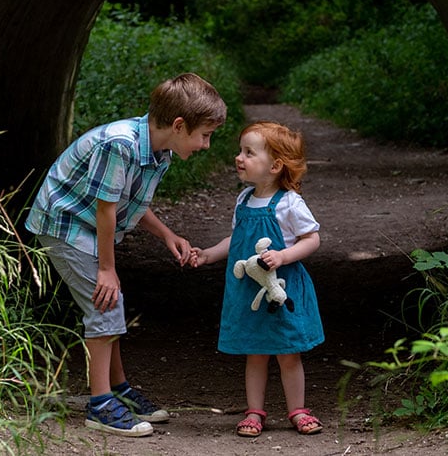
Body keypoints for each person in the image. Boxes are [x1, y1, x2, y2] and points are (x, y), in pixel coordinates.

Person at [25, 73, 227, 437]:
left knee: (109, 302)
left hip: (87, 224)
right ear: (179, 125)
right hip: (65, 224)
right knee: (105, 303)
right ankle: (100, 405)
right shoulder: (120, 144)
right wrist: (106, 268)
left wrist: (168, 235)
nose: (206, 145)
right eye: (205, 135)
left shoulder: (159, 152)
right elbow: (105, 209)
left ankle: (118, 391)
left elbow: (127, 201)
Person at [190, 121, 325, 438]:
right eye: (241, 151)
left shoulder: (290, 203)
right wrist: (209, 254)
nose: (239, 157)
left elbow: (312, 239)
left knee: (288, 353)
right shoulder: (244, 200)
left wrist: (283, 256)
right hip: (251, 290)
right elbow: (236, 239)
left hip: (281, 291)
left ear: (276, 165)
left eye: (249, 152)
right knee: (255, 353)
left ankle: (298, 410)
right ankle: (254, 411)